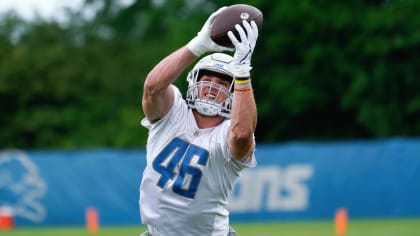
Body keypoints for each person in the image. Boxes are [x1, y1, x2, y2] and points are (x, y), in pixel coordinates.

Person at [139, 6, 259, 236]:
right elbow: (152, 88)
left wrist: (242, 70)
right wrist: (198, 45)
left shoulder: (229, 131)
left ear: (235, 92)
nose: (212, 87)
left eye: (222, 82)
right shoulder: (173, 112)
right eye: (208, 78)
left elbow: (242, 134)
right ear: (194, 80)